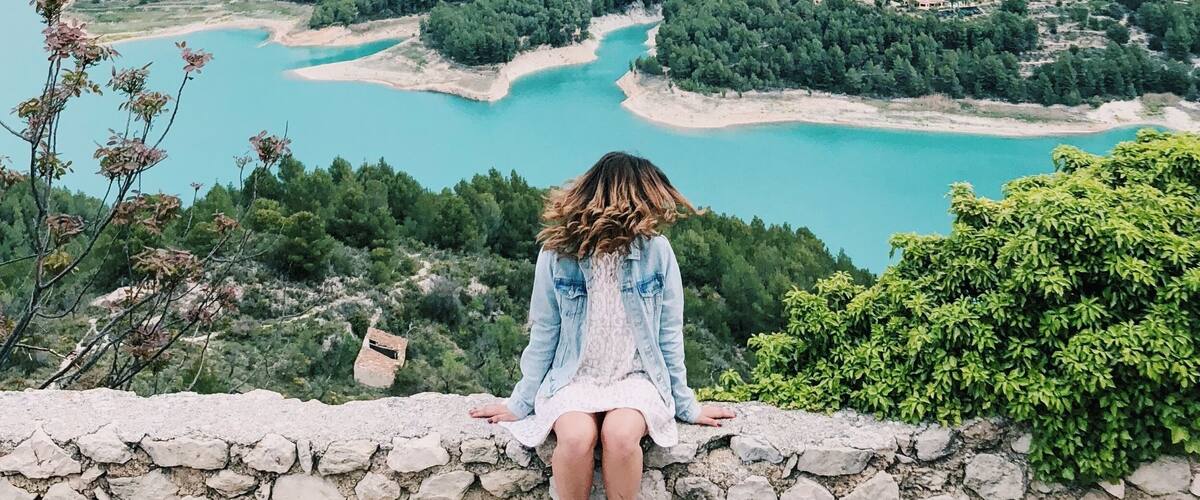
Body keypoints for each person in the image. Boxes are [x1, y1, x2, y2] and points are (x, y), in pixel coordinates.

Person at [469, 152, 736, 500]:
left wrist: (687, 406)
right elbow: (545, 332)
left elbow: (669, 335)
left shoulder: (658, 252)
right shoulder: (557, 255)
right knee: (577, 438)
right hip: (573, 376)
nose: (656, 213)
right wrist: (520, 402)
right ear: (630, 200)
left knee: (622, 437)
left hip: (635, 376)